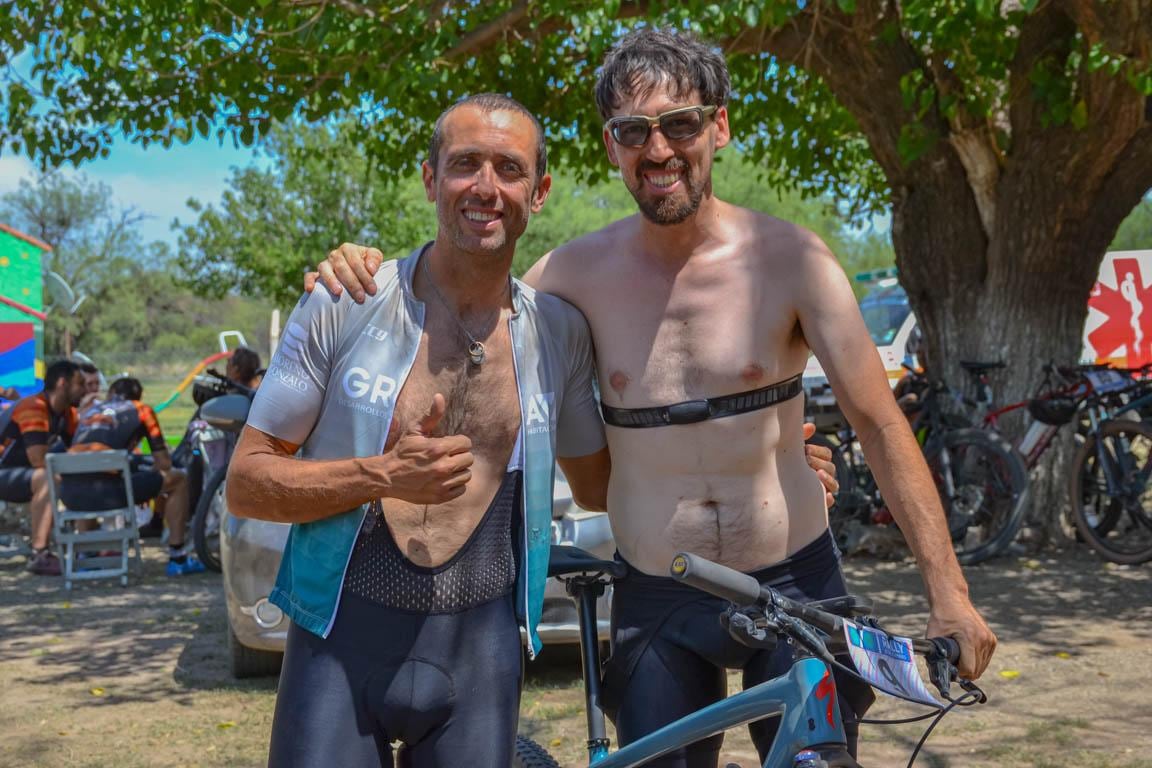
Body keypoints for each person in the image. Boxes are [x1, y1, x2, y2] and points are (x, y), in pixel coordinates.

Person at [315, 28, 996, 767]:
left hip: (796, 580)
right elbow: (459, 290)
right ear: (612, 146)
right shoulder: (569, 279)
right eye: (634, 130)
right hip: (658, 594)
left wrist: (950, 595)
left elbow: (879, 421)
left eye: (682, 123)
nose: (660, 148)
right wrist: (367, 268)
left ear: (720, 125)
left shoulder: (792, 260)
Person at [63, 377, 205, 575]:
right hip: (109, 494)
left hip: (71, 495)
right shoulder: (141, 410)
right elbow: (164, 463)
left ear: (110, 393)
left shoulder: (89, 412)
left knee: (88, 476)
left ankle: (86, 555)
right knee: (178, 480)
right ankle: (178, 557)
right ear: (138, 396)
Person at [0, 359, 86, 576]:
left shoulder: (68, 413)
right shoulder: (34, 406)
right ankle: (40, 554)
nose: (85, 390)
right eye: (80, 384)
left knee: (81, 470)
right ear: (62, 383)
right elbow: (38, 460)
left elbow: (79, 450)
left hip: (18, 473)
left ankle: (87, 546)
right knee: (47, 477)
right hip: (6, 471)